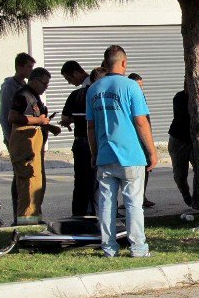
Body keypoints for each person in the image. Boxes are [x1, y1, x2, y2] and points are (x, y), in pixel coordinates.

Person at [87, 45, 158, 258]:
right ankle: (138, 247)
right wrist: (152, 152)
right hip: (131, 156)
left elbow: (90, 126)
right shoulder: (131, 87)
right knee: (133, 204)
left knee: (106, 204)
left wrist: (94, 153)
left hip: (105, 155)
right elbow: (141, 121)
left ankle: (109, 248)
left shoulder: (93, 89)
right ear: (124, 63)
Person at [8, 67, 61, 225]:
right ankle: (26, 224)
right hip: (25, 145)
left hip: (34, 145)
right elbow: (13, 116)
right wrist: (39, 121)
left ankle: (34, 219)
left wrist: (50, 127)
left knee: (37, 184)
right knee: (28, 183)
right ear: (34, 80)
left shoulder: (34, 96)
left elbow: (37, 118)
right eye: (44, 83)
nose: (46, 87)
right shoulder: (23, 95)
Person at [0, 52, 35, 225]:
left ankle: (26, 213)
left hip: (27, 137)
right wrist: (9, 138)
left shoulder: (25, 86)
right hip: (15, 137)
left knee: (26, 176)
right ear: (19, 67)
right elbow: (5, 115)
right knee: (19, 176)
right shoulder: (9, 87)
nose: (30, 71)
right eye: (28, 67)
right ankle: (17, 215)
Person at [60, 61, 96, 216]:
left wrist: (70, 120)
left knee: (85, 181)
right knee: (92, 180)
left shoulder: (82, 93)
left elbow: (68, 117)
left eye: (68, 79)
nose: (69, 83)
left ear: (76, 73)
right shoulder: (79, 94)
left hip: (85, 141)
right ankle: (87, 212)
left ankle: (83, 212)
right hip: (90, 141)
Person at [128, 73, 155, 208]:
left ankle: (142, 196)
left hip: (143, 136)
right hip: (134, 138)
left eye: (141, 86)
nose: (140, 89)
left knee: (145, 168)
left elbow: (146, 118)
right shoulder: (129, 95)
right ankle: (135, 198)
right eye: (138, 86)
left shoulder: (140, 96)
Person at [168, 81, 194, 208]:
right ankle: (186, 195)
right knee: (180, 174)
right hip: (179, 139)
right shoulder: (179, 98)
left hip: (195, 140)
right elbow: (185, 116)